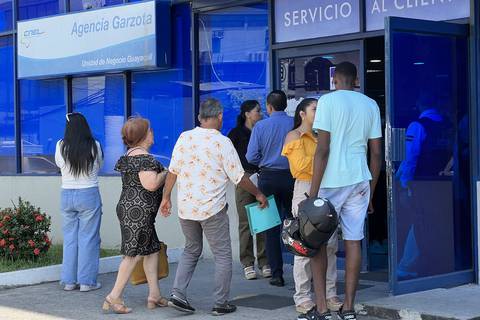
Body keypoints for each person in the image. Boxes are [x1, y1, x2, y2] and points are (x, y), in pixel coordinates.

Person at [160, 98, 268, 316]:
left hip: (187, 208)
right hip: (212, 210)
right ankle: (221, 303)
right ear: (219, 117)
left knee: (191, 249)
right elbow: (239, 177)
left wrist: (166, 198)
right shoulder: (222, 142)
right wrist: (258, 193)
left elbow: (173, 170)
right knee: (222, 255)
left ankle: (178, 293)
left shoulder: (184, 137)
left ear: (200, 117)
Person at [308, 62, 382, 320]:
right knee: (353, 241)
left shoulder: (327, 102)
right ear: (356, 79)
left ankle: (321, 308)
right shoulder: (370, 104)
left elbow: (323, 149)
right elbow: (376, 154)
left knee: (317, 243)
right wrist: (371, 192)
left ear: (335, 79)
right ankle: (348, 307)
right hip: (359, 180)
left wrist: (313, 194)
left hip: (331, 182)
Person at [281, 98, 342, 315]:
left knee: (331, 244)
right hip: (306, 188)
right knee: (305, 245)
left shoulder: (323, 136)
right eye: (315, 109)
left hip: (328, 187)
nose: (319, 112)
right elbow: (299, 167)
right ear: (302, 114)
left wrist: (323, 157)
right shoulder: (294, 136)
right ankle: (303, 296)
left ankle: (329, 293)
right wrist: (324, 157)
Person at [103, 117, 168, 314]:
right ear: (144, 135)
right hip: (139, 212)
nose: (152, 133)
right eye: (150, 130)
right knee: (133, 254)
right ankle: (114, 296)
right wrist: (166, 173)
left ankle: (154, 295)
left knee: (152, 250)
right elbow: (151, 184)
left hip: (130, 208)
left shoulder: (129, 155)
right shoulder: (145, 158)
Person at [246, 90, 295, 287]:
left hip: (268, 178)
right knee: (297, 223)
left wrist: (264, 161)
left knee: (271, 228)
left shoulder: (261, 126)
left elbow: (251, 157)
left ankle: (276, 274)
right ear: (286, 105)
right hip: (293, 177)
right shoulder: (294, 124)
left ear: (269, 107)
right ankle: (304, 269)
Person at [55, 112, 103, 293]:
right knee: (88, 238)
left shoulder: (60, 145)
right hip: (88, 193)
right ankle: (86, 282)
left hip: (66, 194)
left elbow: (59, 165)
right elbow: (99, 165)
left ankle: (69, 281)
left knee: (70, 238)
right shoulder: (94, 145)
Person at [227, 100, 271, 280]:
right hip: (244, 177)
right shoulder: (236, 134)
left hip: (262, 175)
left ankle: (264, 261)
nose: (260, 114)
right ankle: (247, 262)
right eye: (257, 111)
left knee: (262, 221)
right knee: (245, 222)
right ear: (247, 113)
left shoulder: (262, 130)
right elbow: (229, 158)